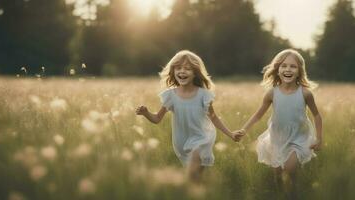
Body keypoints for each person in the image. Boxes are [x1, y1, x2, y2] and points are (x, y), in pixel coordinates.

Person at [135, 50, 242, 182]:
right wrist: (146, 113)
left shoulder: (204, 95)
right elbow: (157, 119)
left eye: (187, 69)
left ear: (195, 73)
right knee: (196, 178)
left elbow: (213, 117)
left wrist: (230, 134)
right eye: (178, 68)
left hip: (202, 137)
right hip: (181, 142)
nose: (182, 71)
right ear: (173, 71)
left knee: (194, 165)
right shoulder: (170, 96)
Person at [239, 49, 323, 195]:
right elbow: (258, 115)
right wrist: (244, 129)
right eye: (284, 66)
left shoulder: (305, 93)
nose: (288, 69)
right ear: (277, 69)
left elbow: (317, 116)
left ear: (300, 71)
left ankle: (293, 193)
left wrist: (319, 138)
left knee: (289, 169)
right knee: (278, 175)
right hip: (277, 138)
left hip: (298, 138)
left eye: (293, 66)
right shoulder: (272, 93)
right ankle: (286, 193)